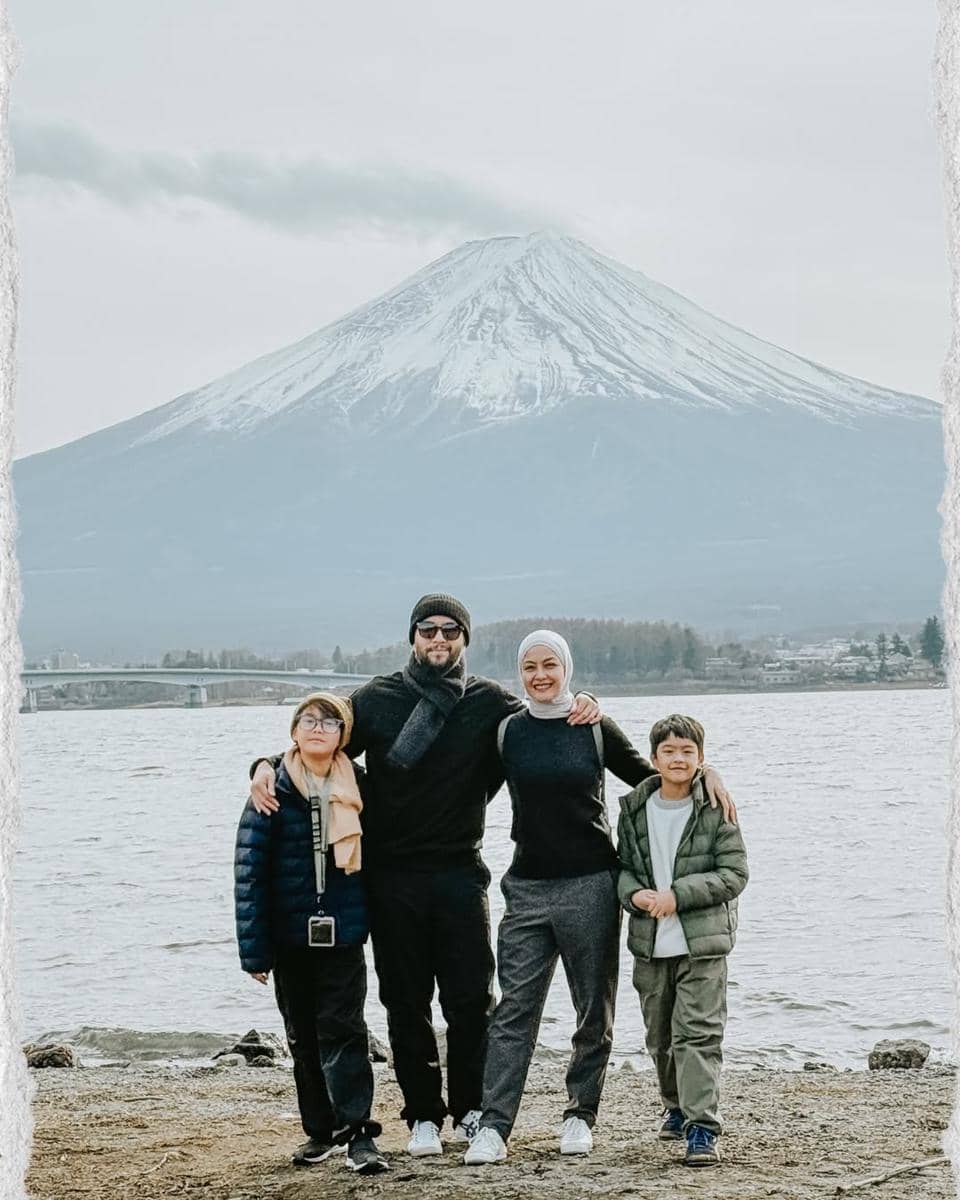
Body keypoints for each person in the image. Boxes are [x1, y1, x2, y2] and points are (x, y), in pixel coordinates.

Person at [247, 594, 604, 1158]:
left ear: (465, 639)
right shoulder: (378, 699)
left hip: (462, 873)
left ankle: (467, 1108)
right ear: (412, 637)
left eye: (450, 631)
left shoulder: (489, 702)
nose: (439, 640)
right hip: (390, 879)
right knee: (404, 1001)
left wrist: (586, 702)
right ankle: (422, 1116)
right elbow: (318, 737)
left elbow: (548, 715)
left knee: (471, 1002)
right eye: (428, 630)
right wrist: (264, 765)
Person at [464, 633, 733, 1166]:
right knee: (514, 1009)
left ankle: (579, 1115)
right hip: (527, 886)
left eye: (550, 665)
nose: (540, 675)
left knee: (594, 1008)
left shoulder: (592, 726)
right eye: (530, 667)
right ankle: (494, 1127)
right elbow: (462, 792)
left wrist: (708, 771)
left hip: (591, 883)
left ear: (566, 668)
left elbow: (653, 776)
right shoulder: (507, 732)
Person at [235, 692, 389, 1175]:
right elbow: (249, 873)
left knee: (345, 1031)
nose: (318, 727)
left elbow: (383, 865)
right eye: (308, 719)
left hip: (342, 934)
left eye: (329, 721)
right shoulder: (270, 789)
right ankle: (319, 1131)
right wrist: (254, 951)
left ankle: (359, 1132)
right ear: (293, 731)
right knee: (301, 1036)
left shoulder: (361, 786)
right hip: (289, 938)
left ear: (345, 735)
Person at [617, 714, 748, 1169]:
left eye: (687, 752)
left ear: (701, 758)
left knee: (698, 1035)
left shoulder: (717, 807)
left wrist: (678, 896)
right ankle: (675, 1106)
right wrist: (633, 894)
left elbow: (734, 874)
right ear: (653, 759)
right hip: (650, 943)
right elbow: (624, 869)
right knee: (661, 1037)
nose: (678, 759)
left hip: (703, 943)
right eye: (669, 751)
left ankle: (702, 1128)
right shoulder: (634, 808)